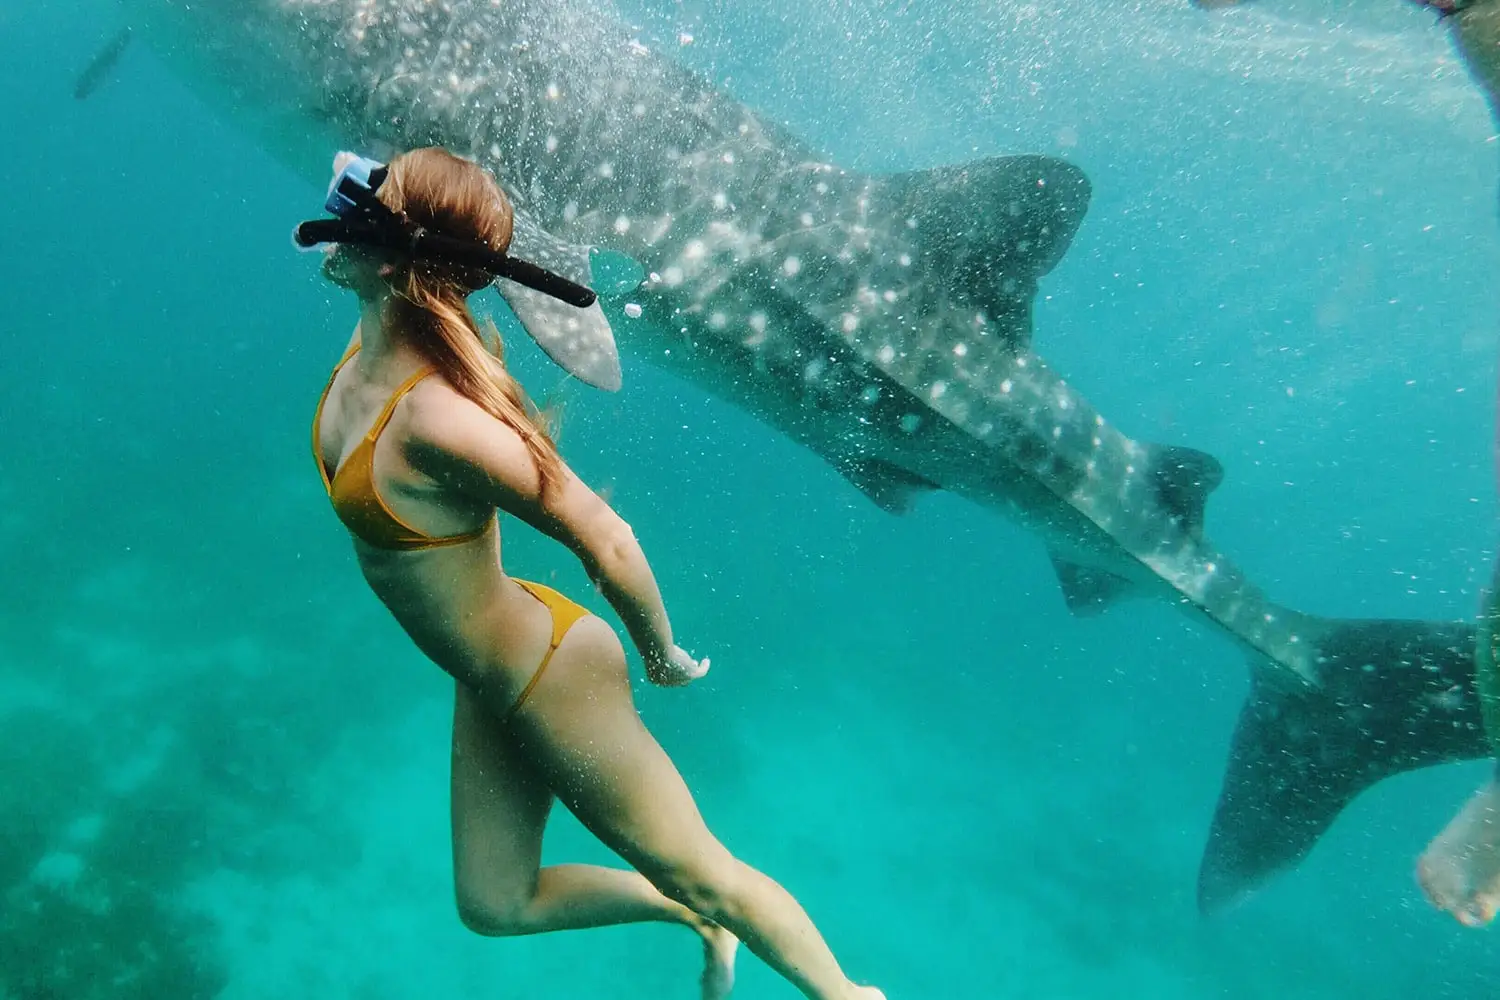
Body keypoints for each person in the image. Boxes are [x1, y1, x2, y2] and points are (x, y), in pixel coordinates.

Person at [302, 145, 884, 1000]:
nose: (337, 209)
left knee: (711, 870)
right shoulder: (373, 340)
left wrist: (660, 653)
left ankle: (846, 993)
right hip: (489, 676)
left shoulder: (434, 418)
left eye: (364, 200)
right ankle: (692, 918)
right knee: (497, 904)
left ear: (397, 255)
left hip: (546, 675)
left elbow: (605, 536)